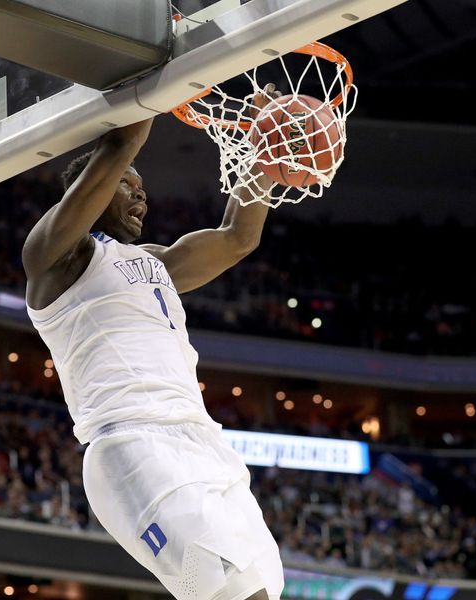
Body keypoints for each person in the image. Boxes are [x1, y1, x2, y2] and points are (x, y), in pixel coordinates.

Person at [23, 85, 284, 600]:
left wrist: (263, 142)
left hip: (205, 445)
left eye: (142, 187)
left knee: (263, 589)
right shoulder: (55, 259)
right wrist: (162, 77)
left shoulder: (158, 263)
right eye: (128, 185)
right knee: (230, 596)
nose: (142, 194)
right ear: (90, 192)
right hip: (133, 444)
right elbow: (118, 146)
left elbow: (238, 237)